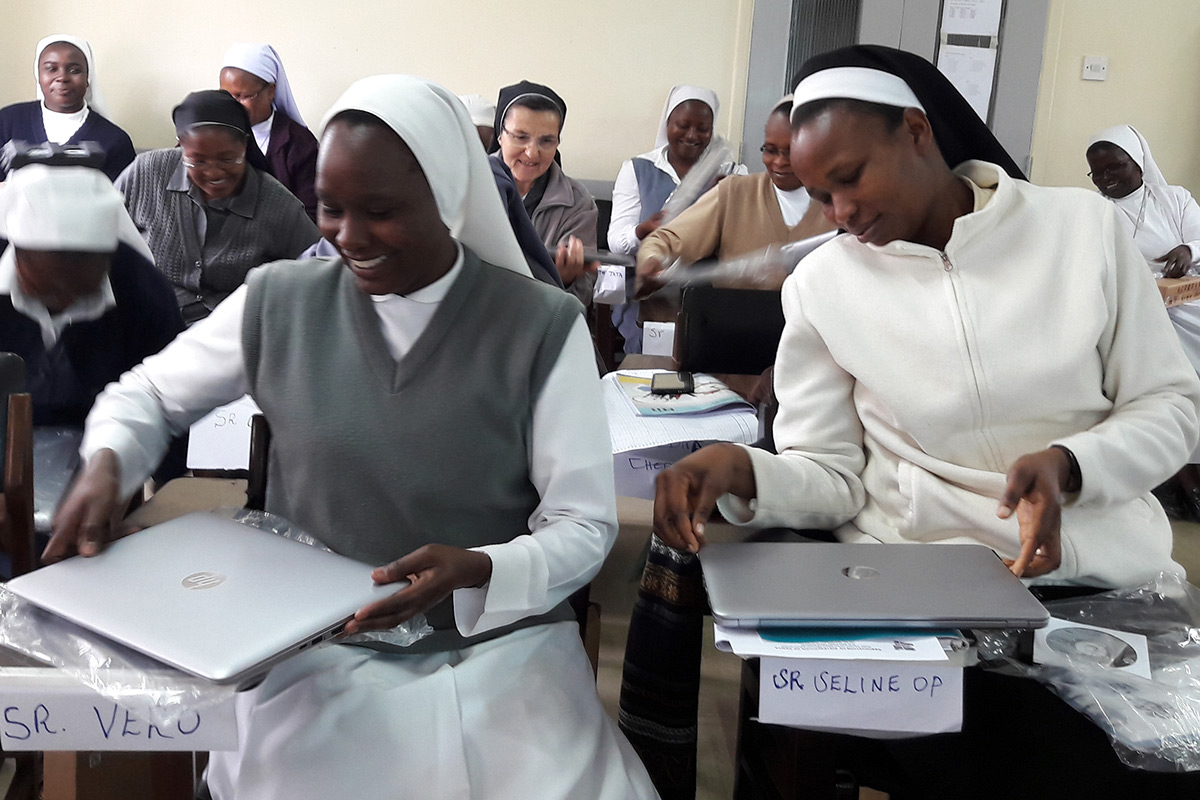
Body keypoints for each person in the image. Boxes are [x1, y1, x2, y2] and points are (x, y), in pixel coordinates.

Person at [44, 74, 659, 800]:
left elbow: (582, 525)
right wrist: (109, 461)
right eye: (331, 209)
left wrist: (483, 568)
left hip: (500, 649)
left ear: (451, 198)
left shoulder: (540, 326)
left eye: (381, 211)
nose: (348, 237)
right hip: (313, 650)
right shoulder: (280, 300)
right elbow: (147, 393)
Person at [623, 45, 1200, 800]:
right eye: (823, 193)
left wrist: (1071, 465)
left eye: (852, 178)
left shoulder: (1081, 233)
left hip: (1107, 586)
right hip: (923, 598)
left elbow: (1170, 407)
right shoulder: (828, 284)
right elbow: (830, 474)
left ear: (917, 132)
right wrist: (744, 472)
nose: (841, 214)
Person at [114, 89, 319, 324]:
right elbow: (103, 233)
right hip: (145, 320)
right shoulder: (146, 172)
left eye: (227, 159)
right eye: (198, 161)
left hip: (228, 335)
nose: (213, 172)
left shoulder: (278, 204)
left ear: (245, 145)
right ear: (180, 145)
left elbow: (317, 271)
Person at [0, 164, 182, 427]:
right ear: (19, 258)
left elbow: (166, 396)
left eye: (80, 288)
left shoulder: (144, 292)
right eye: (47, 288)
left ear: (108, 261)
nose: (64, 300)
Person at [1087, 124, 1200, 519]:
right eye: (1097, 173)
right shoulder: (1096, 212)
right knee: (1166, 366)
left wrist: (1188, 249)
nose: (1105, 180)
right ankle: (1181, 475)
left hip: (1190, 304)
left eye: (1114, 168)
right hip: (1137, 312)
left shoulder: (1175, 199)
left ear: (1138, 164)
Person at [635, 96, 835, 289]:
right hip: (733, 320)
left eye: (791, 152)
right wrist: (654, 259)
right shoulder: (733, 193)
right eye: (770, 150)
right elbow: (664, 240)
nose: (779, 162)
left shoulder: (840, 204)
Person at [608, 84, 745, 354]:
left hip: (707, 290)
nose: (692, 135)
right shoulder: (637, 169)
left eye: (703, 128)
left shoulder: (731, 172)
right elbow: (615, 242)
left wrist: (729, 200)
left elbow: (740, 243)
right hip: (647, 291)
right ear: (667, 124)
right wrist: (642, 231)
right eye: (682, 125)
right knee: (654, 362)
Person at [492, 81, 598, 305]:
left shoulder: (577, 203)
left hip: (543, 325)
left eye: (546, 141)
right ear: (500, 135)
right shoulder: (468, 185)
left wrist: (564, 281)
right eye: (521, 137)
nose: (532, 153)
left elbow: (582, 298)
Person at [0, 35, 136, 182]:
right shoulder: (7, 122)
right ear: (38, 75)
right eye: (51, 69)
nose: (62, 77)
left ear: (88, 78)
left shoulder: (115, 139)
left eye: (74, 70)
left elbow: (123, 199)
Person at [219, 43, 319, 220]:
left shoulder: (299, 145)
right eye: (227, 96)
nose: (234, 104)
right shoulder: (214, 134)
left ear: (271, 91)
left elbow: (310, 216)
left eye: (243, 96)